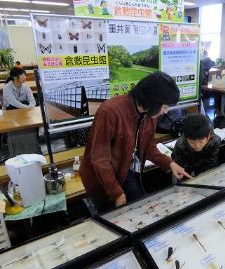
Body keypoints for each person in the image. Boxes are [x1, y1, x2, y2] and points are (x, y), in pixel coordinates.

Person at [80, 71, 191, 212]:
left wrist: (170, 163)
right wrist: (116, 192)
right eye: (164, 106)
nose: (165, 112)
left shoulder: (150, 114)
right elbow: (99, 159)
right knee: (111, 216)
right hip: (100, 176)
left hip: (124, 168)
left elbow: (149, 147)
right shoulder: (110, 111)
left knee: (140, 206)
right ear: (153, 100)